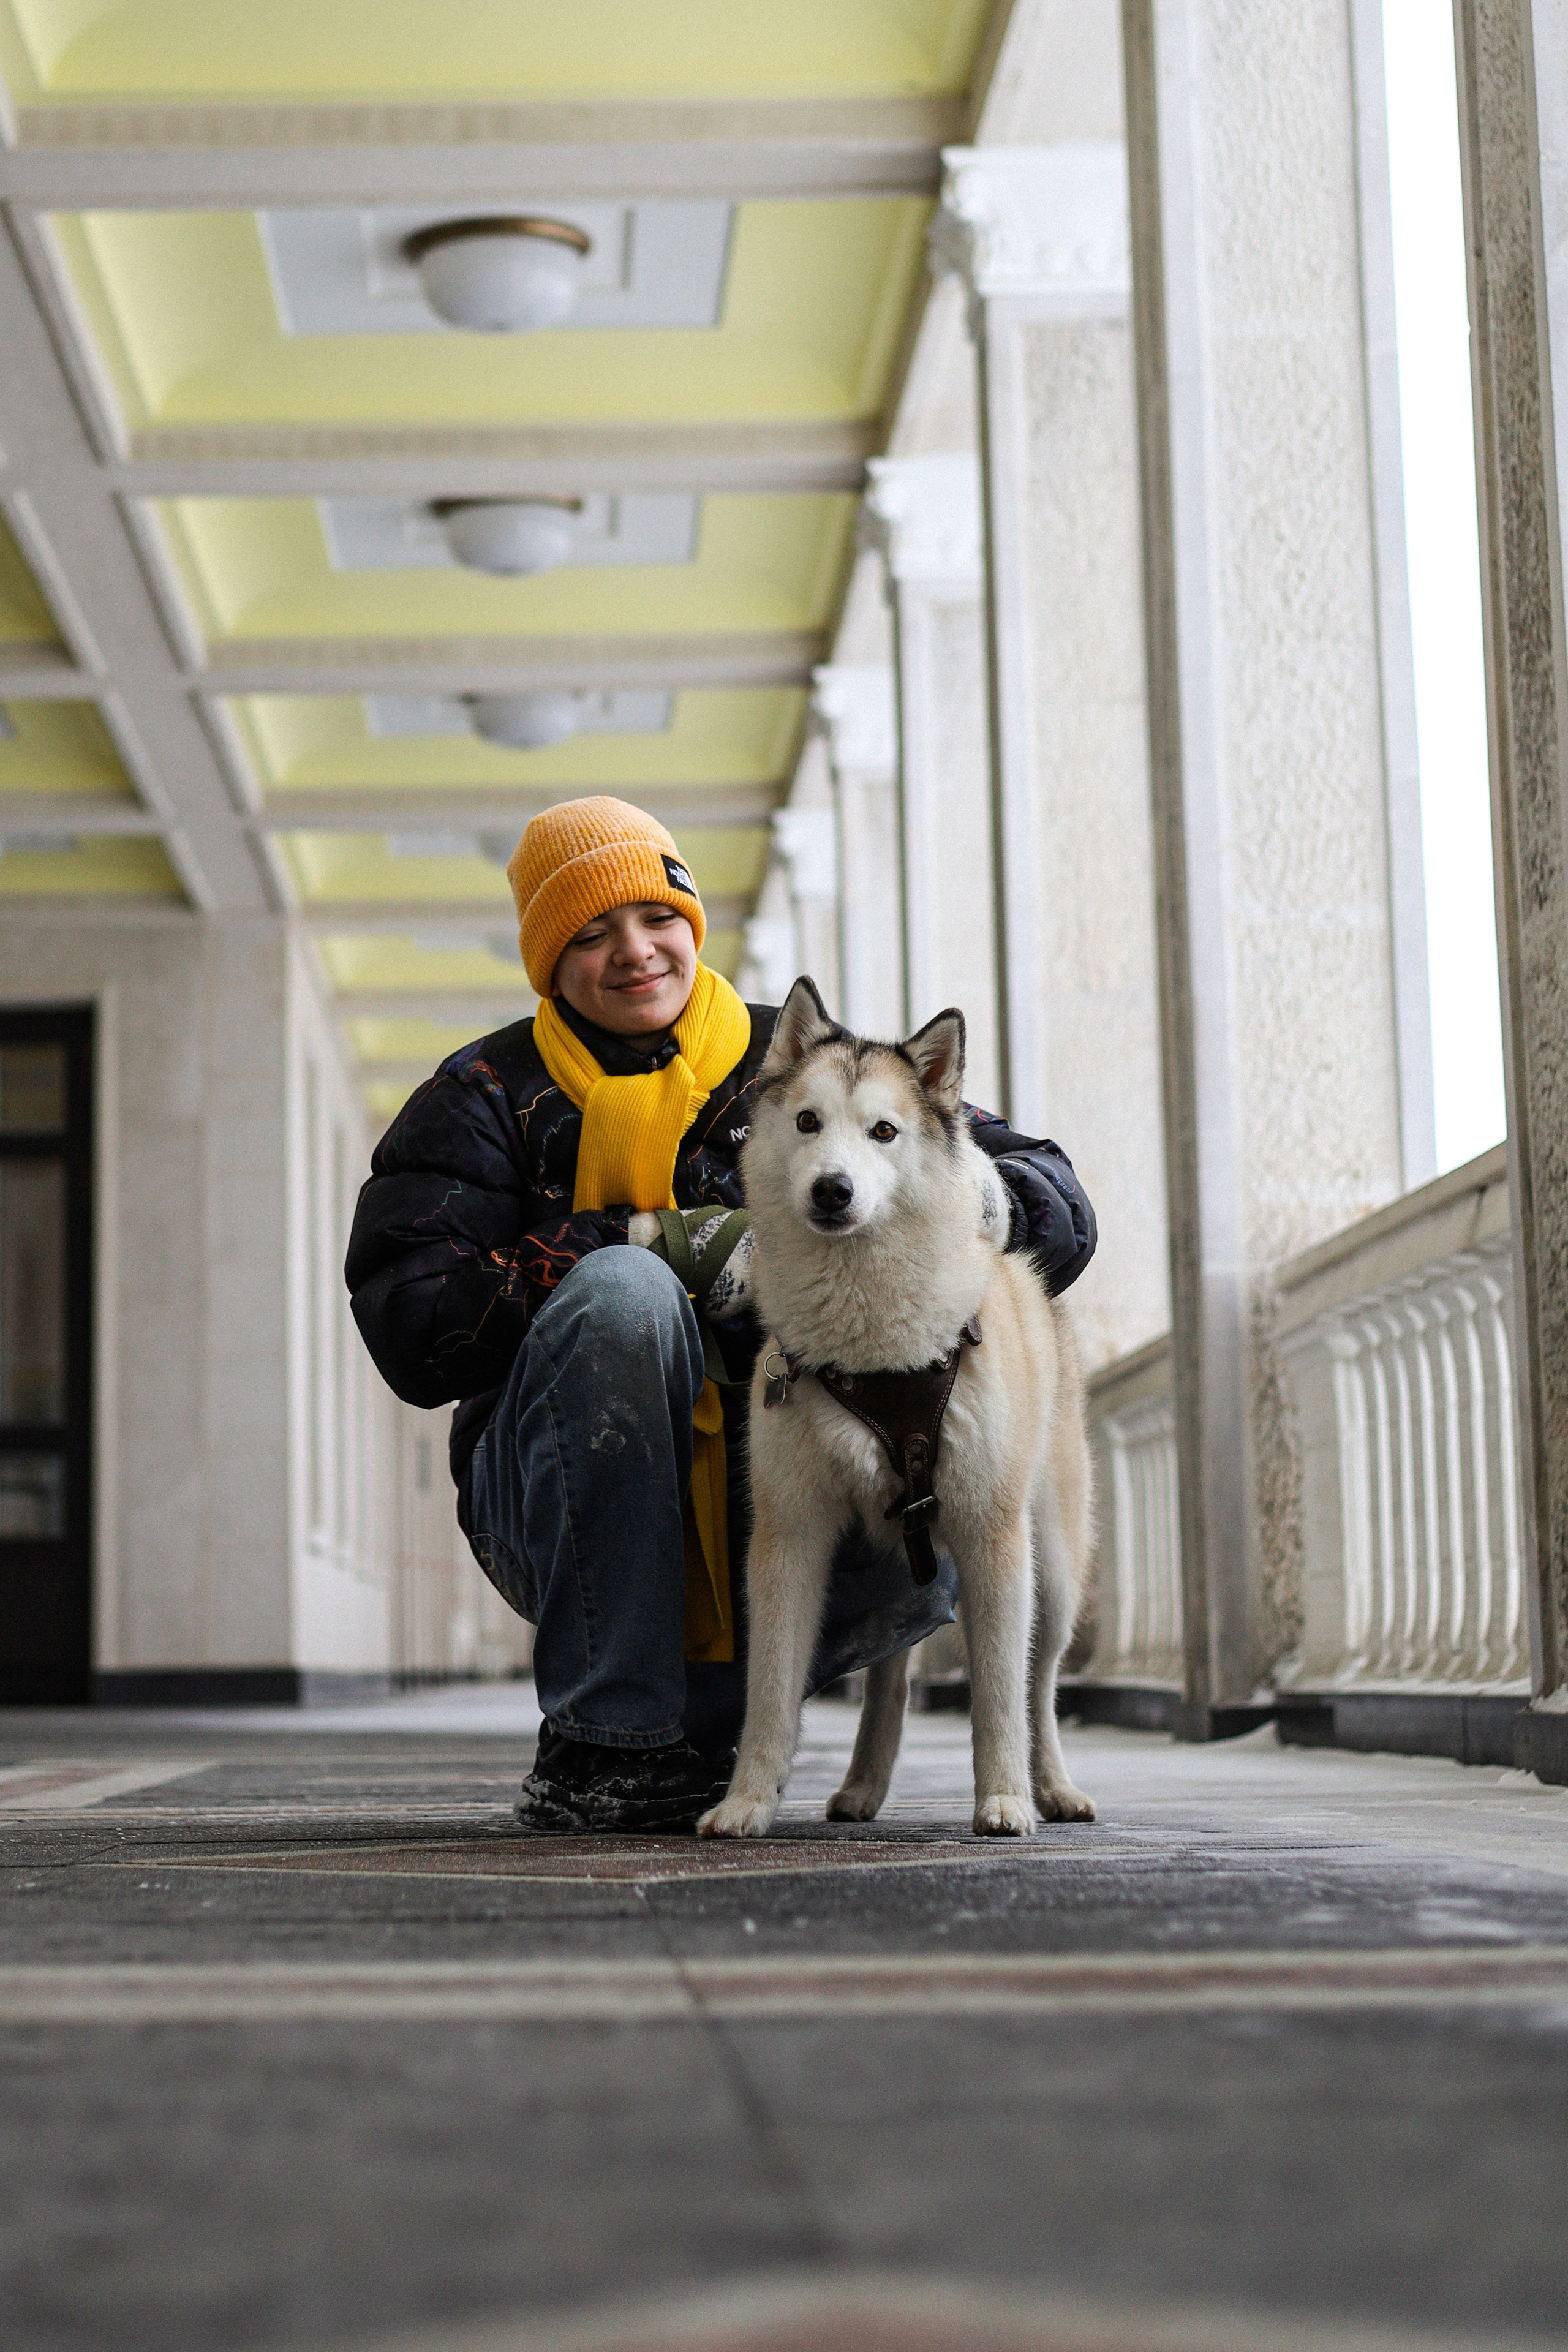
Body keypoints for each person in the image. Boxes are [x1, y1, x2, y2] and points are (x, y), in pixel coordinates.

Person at [346, 796, 1096, 1833]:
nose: (634, 952)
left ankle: (684, 1724)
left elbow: (1052, 1201)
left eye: (656, 918)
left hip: (842, 1535)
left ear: (691, 921)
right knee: (623, 1298)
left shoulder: (796, 1067)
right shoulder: (481, 1097)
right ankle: (608, 1734)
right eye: (590, 932)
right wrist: (645, 1241)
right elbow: (413, 1326)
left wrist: (970, 1195)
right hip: (566, 1539)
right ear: (545, 960)